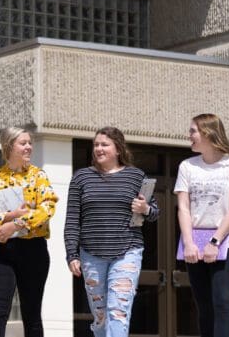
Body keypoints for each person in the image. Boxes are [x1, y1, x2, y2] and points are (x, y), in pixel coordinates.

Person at [64, 126, 159, 337]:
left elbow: (154, 213)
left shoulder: (136, 176)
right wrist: (72, 254)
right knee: (101, 318)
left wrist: (145, 209)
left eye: (104, 144)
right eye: (96, 145)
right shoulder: (81, 178)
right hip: (91, 254)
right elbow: (72, 220)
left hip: (127, 251)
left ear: (118, 149)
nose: (99, 148)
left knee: (118, 313)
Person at [0, 127, 58, 337]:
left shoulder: (38, 176)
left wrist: (17, 224)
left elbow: (47, 208)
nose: (29, 146)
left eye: (30, 142)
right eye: (23, 143)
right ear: (10, 146)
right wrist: (9, 216)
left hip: (33, 250)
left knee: (32, 314)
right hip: (0, 251)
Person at [174, 113, 229, 337]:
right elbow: (183, 207)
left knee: (222, 300)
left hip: (227, 242)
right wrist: (189, 243)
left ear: (208, 132)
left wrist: (215, 241)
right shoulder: (187, 166)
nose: (189, 135)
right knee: (204, 305)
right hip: (195, 243)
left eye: (193, 131)